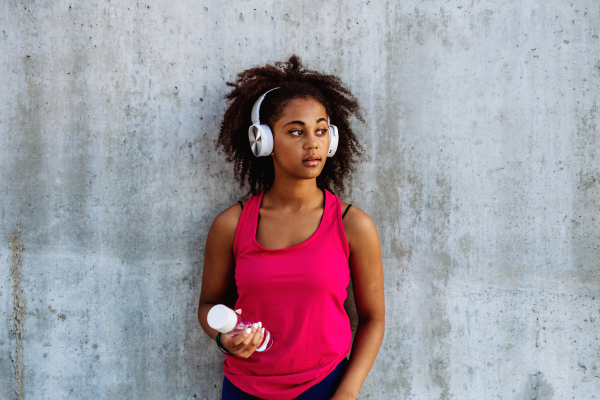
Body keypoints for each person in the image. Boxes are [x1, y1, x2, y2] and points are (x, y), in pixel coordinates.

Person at [198, 55, 385, 400]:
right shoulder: (231, 224)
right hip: (244, 389)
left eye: (320, 130)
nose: (312, 143)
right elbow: (209, 305)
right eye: (296, 131)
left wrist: (347, 393)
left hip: (326, 388)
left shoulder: (353, 225)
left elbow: (372, 319)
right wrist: (225, 338)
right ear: (263, 141)